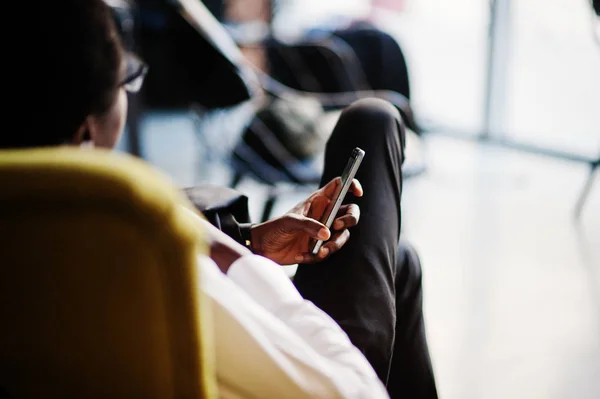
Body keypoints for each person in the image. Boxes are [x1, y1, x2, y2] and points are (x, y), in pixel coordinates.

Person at [7, 0, 438, 397]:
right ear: (86, 130)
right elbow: (349, 390)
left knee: (399, 264)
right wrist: (233, 257)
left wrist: (250, 240)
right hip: (303, 372)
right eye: (129, 79)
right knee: (375, 119)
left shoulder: (33, 221)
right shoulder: (136, 237)